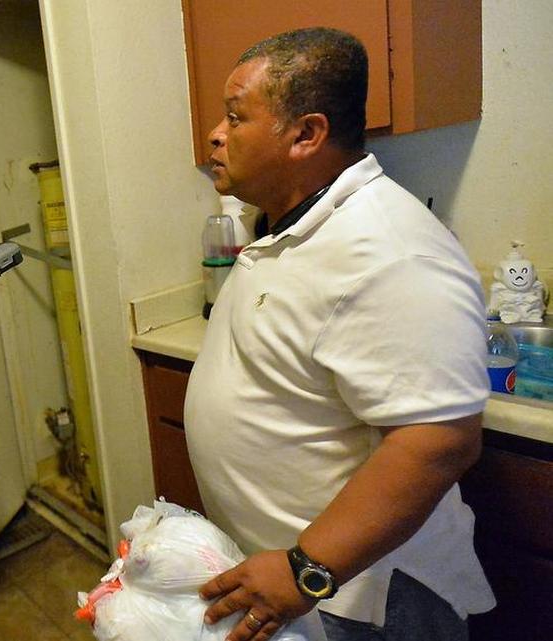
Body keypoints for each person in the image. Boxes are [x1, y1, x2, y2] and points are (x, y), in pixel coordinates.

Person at [183, 27, 495, 641]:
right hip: (294, 581)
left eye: (236, 117)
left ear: (307, 134)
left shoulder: (392, 252)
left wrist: (306, 570)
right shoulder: (286, 224)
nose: (216, 135)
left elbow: (437, 443)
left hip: (360, 597)